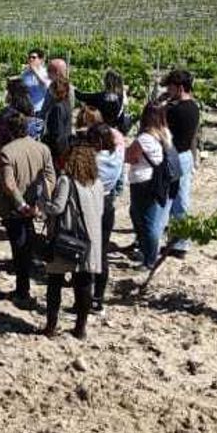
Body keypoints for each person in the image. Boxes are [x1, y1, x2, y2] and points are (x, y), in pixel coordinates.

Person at [43, 141, 105, 339]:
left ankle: (51, 326)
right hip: (90, 241)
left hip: (67, 239)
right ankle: (80, 328)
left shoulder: (65, 181)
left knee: (55, 281)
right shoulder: (98, 183)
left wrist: (42, 203)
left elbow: (57, 208)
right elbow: (100, 211)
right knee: (84, 283)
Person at [0, 108, 53, 308]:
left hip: (14, 209)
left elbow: (9, 184)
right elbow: (50, 178)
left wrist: (22, 205)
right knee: (25, 244)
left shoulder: (6, 152)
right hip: (34, 205)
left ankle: (22, 290)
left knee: (19, 249)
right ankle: (23, 287)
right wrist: (40, 205)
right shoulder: (42, 149)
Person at [79, 111, 126, 313]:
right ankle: (98, 299)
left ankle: (83, 300)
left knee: (85, 252)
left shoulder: (93, 160)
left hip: (90, 202)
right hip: (107, 203)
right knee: (102, 252)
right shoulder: (117, 157)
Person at [126, 103, 173, 270]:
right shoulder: (164, 134)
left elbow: (129, 156)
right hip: (156, 180)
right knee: (145, 218)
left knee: (144, 221)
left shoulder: (145, 138)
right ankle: (147, 254)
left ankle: (149, 258)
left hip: (142, 181)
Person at [161, 69, 201, 259]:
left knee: (166, 200)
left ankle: (167, 242)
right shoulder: (194, 107)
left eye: (170, 87)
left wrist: (161, 104)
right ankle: (180, 242)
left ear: (180, 88)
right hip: (186, 156)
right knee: (182, 199)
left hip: (173, 156)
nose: (168, 90)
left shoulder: (174, 110)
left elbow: (158, 126)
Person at [38, 75, 74, 160]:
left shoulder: (57, 108)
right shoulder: (67, 103)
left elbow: (57, 133)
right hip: (65, 145)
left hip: (57, 150)